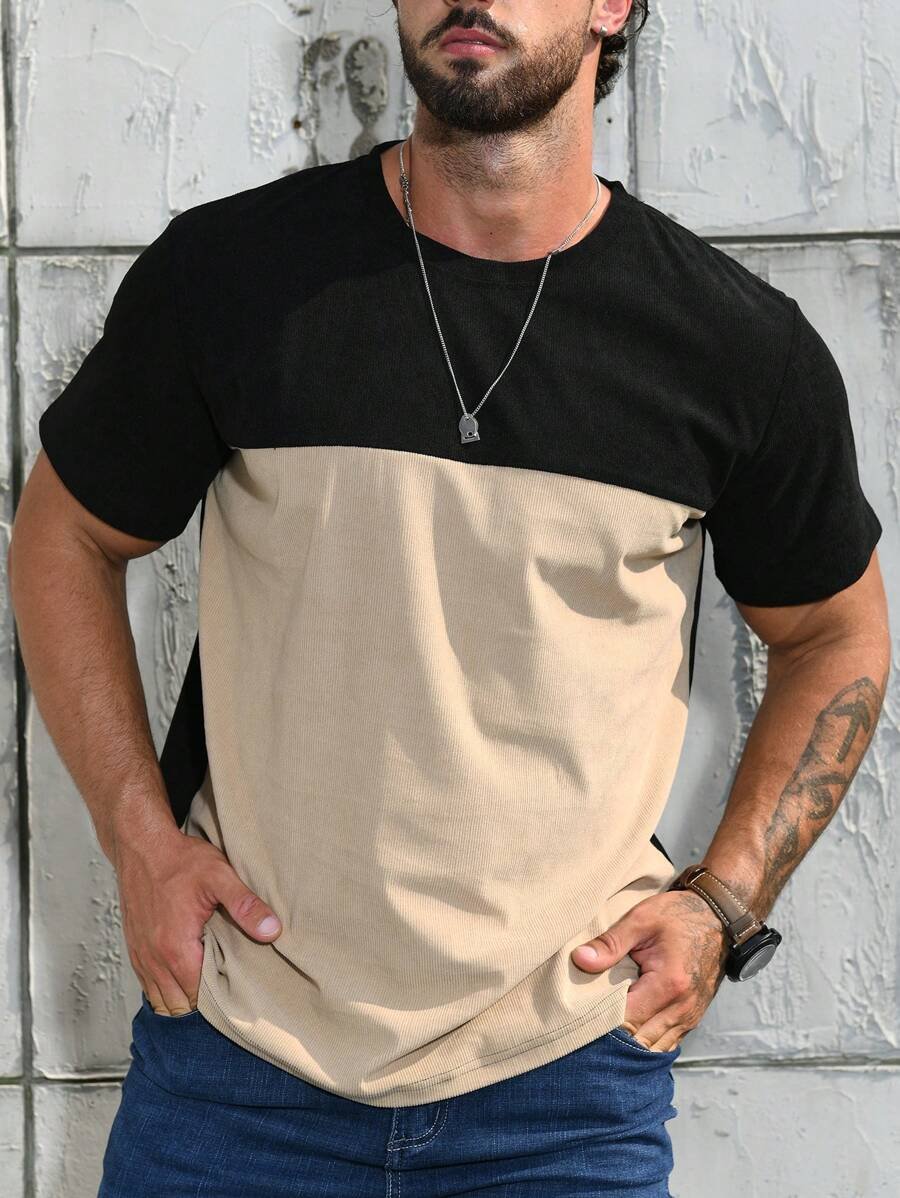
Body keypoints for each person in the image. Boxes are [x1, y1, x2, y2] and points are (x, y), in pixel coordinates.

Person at [8, 1, 889, 1195]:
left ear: (613, 5)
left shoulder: (732, 347)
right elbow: (64, 533)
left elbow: (835, 631)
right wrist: (137, 840)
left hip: (562, 1090)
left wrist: (724, 903)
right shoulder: (235, 278)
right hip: (239, 1066)